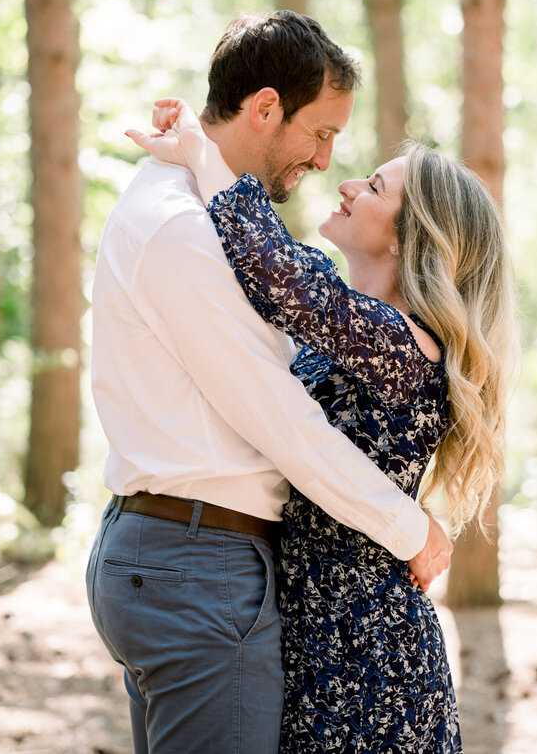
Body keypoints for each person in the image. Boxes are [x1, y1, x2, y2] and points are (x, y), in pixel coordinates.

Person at [86, 11, 455, 754]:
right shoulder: (183, 228)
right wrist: (412, 529)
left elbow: (282, 276)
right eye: (321, 133)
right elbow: (281, 418)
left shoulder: (383, 331)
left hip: (262, 595)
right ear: (264, 109)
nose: (328, 164)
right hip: (199, 569)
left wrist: (200, 155)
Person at [127, 96, 516, 752]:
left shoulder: (405, 348)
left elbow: (281, 276)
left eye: (373, 186)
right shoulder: (345, 338)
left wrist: (204, 153)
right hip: (307, 636)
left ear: (406, 234)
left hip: (369, 657)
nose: (345, 183)